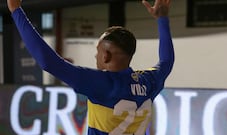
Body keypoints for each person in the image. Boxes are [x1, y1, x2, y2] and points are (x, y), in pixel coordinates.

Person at [7, 0, 174, 134]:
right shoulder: (149, 80)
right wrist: (162, 18)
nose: (96, 56)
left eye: (98, 50)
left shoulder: (99, 83)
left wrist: (16, 10)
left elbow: (48, 62)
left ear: (106, 55)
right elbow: (166, 62)